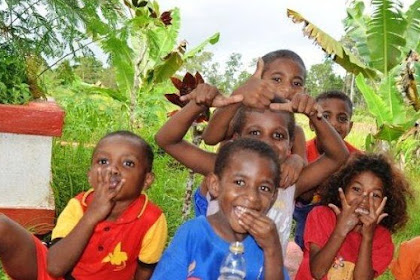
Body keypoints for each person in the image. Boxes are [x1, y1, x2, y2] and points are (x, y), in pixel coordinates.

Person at [155, 83, 348, 258]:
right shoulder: (222, 168)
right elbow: (166, 139)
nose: (266, 142)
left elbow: (338, 156)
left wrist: (315, 115)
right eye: (255, 132)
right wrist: (198, 103)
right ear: (236, 138)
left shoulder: (290, 182)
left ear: (290, 143)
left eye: (278, 135)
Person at [0, 131, 167, 280]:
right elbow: (55, 267)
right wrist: (91, 215)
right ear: (90, 176)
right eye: (103, 161)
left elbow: (145, 271)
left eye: (128, 163)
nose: (112, 170)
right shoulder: (79, 206)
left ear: (147, 180)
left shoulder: (152, 219)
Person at [151, 138, 289, 279]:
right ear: (215, 185)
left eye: (264, 188)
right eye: (240, 182)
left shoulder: (268, 246)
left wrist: (273, 251)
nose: (252, 197)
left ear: (273, 198)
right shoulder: (193, 233)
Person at [202, 49, 309, 190]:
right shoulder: (242, 116)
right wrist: (238, 96)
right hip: (220, 196)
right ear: (257, 81)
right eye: (277, 79)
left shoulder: (296, 131)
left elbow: (304, 165)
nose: (286, 90)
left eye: (296, 83)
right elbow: (210, 138)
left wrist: (296, 160)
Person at [296, 153, 412, 279]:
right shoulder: (321, 216)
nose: (364, 200)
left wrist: (368, 237)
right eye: (357, 189)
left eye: (375, 195)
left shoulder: (382, 239)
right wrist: (341, 229)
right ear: (342, 190)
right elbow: (318, 272)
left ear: (385, 204)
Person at [293, 90, 361, 249]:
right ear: (311, 123)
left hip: (342, 215)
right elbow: (303, 196)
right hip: (306, 216)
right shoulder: (301, 151)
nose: (334, 123)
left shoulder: (358, 159)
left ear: (350, 126)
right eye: (325, 116)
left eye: (342, 118)